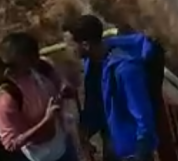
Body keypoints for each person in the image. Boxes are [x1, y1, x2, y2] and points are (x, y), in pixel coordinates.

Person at [64, 16, 165, 161]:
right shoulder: (91, 63)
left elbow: (143, 116)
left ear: (85, 45)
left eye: (71, 44)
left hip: (131, 151)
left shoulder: (126, 70)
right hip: (112, 138)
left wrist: (141, 153)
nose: (68, 49)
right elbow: (97, 99)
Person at [0, 32, 79, 161]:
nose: (37, 60)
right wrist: (46, 121)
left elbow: (60, 81)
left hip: (64, 145)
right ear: (20, 61)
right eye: (31, 59)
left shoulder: (41, 66)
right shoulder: (4, 98)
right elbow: (11, 143)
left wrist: (65, 88)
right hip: (40, 157)